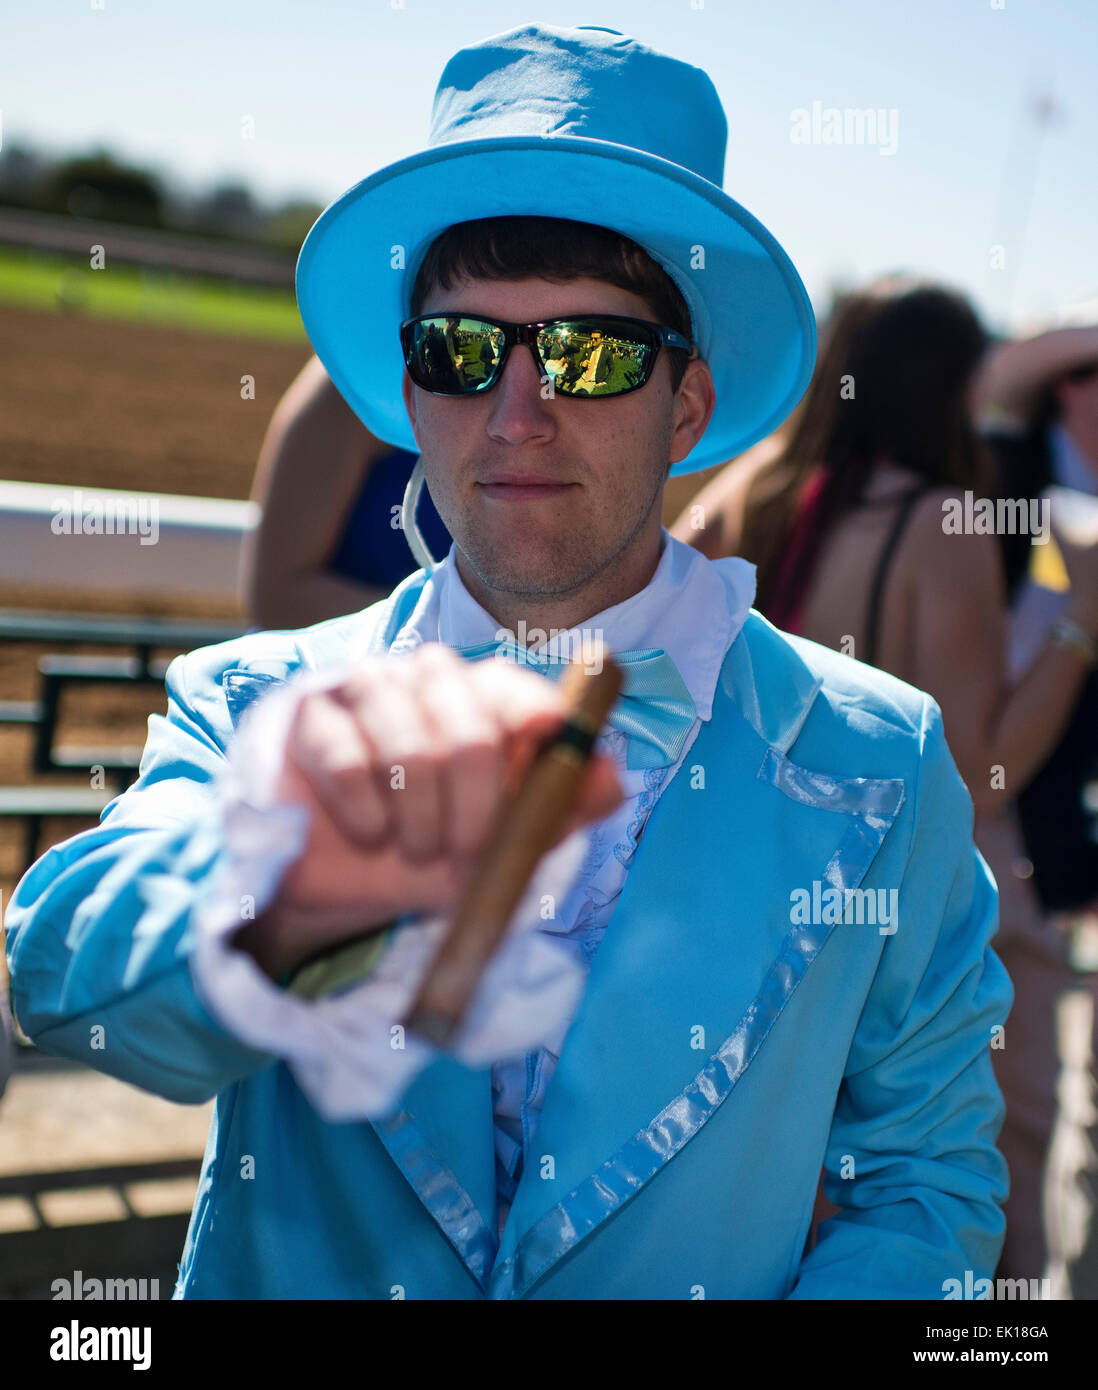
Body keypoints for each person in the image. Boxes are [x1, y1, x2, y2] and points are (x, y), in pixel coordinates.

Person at [5, 23, 1011, 1300]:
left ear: (687, 406)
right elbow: (72, 978)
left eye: (590, 353)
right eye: (461, 351)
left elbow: (927, 1181)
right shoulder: (257, 701)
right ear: (409, 395)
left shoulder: (877, 759)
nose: (518, 411)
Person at [671, 278, 1098, 1285]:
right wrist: (1080, 623)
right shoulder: (941, 520)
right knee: (963, 1202)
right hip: (916, 920)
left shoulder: (752, 487)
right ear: (951, 388)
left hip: (749, 897)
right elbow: (977, 774)